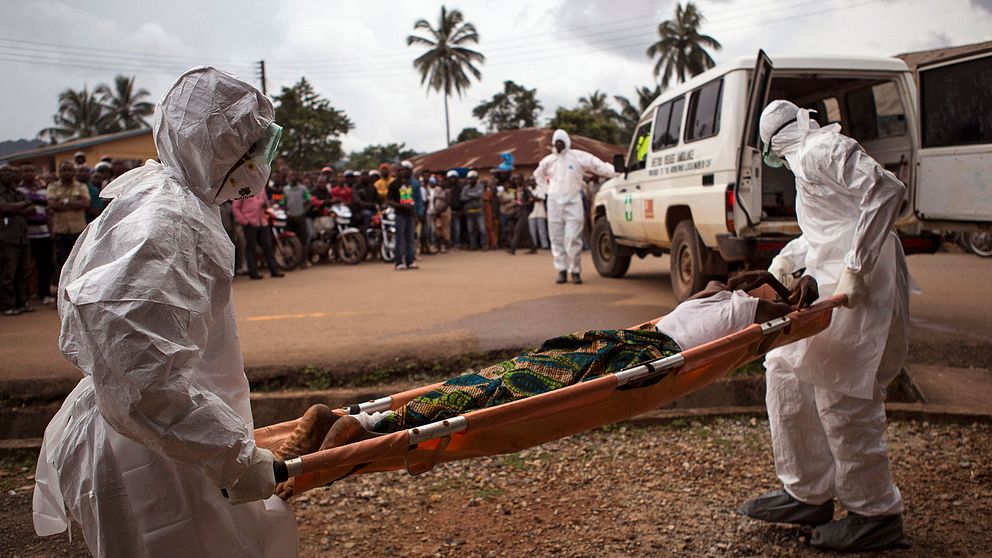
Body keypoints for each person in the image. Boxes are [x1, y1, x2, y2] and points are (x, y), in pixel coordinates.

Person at [31, 67, 298, 557]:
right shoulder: (166, 223)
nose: (262, 163)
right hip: (150, 457)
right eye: (254, 148)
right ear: (218, 148)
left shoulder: (178, 204)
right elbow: (142, 378)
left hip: (171, 440)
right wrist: (232, 457)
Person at [271, 270, 816, 499]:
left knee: (494, 382)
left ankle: (361, 422)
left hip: (613, 342)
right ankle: (371, 428)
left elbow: (776, 301)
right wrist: (793, 293)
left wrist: (778, 290)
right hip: (634, 356)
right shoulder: (744, 307)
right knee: (507, 396)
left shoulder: (714, 297)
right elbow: (791, 308)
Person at [737, 100, 912, 553]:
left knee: (843, 394)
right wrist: (784, 264)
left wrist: (856, 265)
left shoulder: (820, 150)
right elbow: (828, 229)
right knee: (785, 369)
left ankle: (875, 513)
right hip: (838, 279)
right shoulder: (807, 161)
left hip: (860, 286)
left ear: (774, 142)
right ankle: (807, 491)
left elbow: (887, 190)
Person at [535, 129, 616, 284]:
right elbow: (538, 175)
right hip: (553, 203)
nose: (558, 145)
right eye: (556, 143)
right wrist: (546, 191)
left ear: (566, 143)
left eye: (561, 142)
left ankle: (575, 270)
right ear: (553, 144)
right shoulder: (548, 160)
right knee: (556, 238)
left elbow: (597, 166)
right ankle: (562, 270)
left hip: (573, 202)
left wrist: (616, 171)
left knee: (572, 238)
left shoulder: (577, 156)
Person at [46, 160, 90, 281]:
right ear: (59, 172)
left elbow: (86, 203)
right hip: (61, 231)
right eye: (64, 170)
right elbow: (52, 204)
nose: (67, 173)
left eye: (70, 170)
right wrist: (75, 203)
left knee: (81, 262)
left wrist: (64, 202)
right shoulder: (53, 186)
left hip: (79, 231)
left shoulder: (81, 186)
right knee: (63, 262)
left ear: (74, 172)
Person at [18, 164, 55, 304]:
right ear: (21, 174)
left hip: (43, 234)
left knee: (44, 265)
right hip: (25, 236)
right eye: (25, 170)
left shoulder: (43, 191)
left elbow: (48, 212)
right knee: (25, 267)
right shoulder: (17, 191)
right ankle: (25, 296)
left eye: (31, 170)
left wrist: (51, 231)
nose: (29, 173)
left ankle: (44, 294)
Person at [0, 164, 34, 315]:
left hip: (22, 238)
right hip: (6, 238)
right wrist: (21, 207)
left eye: (11, 171)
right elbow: (4, 208)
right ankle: (7, 305)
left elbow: (32, 209)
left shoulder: (18, 193)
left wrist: (15, 208)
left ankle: (21, 302)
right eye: (4, 171)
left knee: (23, 272)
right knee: (8, 274)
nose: (8, 174)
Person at [387, 163, 419, 270]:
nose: (402, 172)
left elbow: (408, 199)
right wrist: (401, 205)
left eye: (404, 170)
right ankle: (399, 262)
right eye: (400, 170)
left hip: (409, 214)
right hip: (400, 214)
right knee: (400, 238)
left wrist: (414, 213)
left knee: (410, 238)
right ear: (396, 172)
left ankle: (410, 261)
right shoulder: (393, 185)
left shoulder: (407, 184)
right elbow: (389, 201)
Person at [282, 171, 312, 268]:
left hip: (300, 217)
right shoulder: (285, 189)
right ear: (289, 177)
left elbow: (309, 202)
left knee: (303, 239)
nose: (293, 177)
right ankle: (292, 261)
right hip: (290, 217)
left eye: (295, 175)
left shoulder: (303, 189)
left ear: (298, 177)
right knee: (289, 240)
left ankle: (304, 261)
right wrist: (286, 212)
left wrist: (303, 213)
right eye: (291, 175)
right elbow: (283, 202)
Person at [508, 173, 536, 255]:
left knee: (517, 230)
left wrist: (522, 204)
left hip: (525, 211)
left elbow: (531, 200)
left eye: (518, 179)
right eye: (515, 179)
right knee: (526, 231)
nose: (516, 181)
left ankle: (513, 249)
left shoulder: (526, 189)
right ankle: (533, 248)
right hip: (520, 211)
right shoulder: (518, 189)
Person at [460, 170, 486, 250]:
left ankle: (484, 245)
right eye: (469, 179)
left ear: (476, 178)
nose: (470, 180)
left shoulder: (480, 186)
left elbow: (479, 195)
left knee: (482, 229)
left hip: (479, 211)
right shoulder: (465, 188)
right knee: (471, 230)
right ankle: (473, 245)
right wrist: (472, 196)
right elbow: (462, 198)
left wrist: (468, 195)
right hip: (469, 212)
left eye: (472, 178)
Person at [527, 176, 550, 250]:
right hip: (531, 213)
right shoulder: (528, 189)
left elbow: (541, 198)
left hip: (540, 212)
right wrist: (534, 198)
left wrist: (533, 199)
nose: (532, 182)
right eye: (530, 181)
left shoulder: (540, 188)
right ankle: (534, 245)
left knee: (542, 230)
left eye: (533, 180)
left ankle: (544, 245)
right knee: (532, 231)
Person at [429, 176, 451, 253]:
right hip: (437, 212)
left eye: (443, 182)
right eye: (440, 182)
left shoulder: (448, 191)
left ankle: (445, 246)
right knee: (438, 229)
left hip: (444, 212)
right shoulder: (437, 190)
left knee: (445, 229)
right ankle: (438, 246)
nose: (441, 183)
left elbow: (447, 203)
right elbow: (434, 200)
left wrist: (440, 211)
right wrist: (436, 210)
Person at [445, 170, 464, 249]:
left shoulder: (460, 188)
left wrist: (461, 210)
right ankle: (449, 243)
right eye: (451, 178)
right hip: (447, 210)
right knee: (448, 228)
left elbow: (462, 200)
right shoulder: (446, 188)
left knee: (457, 228)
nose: (452, 179)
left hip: (457, 210)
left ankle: (457, 242)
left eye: (454, 178)